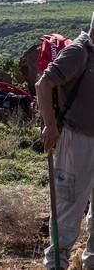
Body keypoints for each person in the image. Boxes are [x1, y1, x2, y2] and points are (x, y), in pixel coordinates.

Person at [37, 15, 94, 270]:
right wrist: (50, 125)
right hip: (76, 140)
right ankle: (57, 265)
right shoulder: (78, 52)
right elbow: (44, 84)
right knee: (69, 208)